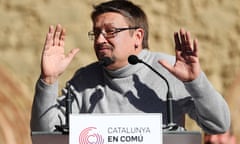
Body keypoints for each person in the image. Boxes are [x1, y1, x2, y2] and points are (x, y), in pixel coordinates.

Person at [30, 0, 230, 134]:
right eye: (96, 32)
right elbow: (45, 135)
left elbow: (219, 125)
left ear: (137, 37)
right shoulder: (84, 80)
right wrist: (48, 81)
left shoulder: (168, 72)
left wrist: (195, 82)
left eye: (110, 31)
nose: (100, 40)